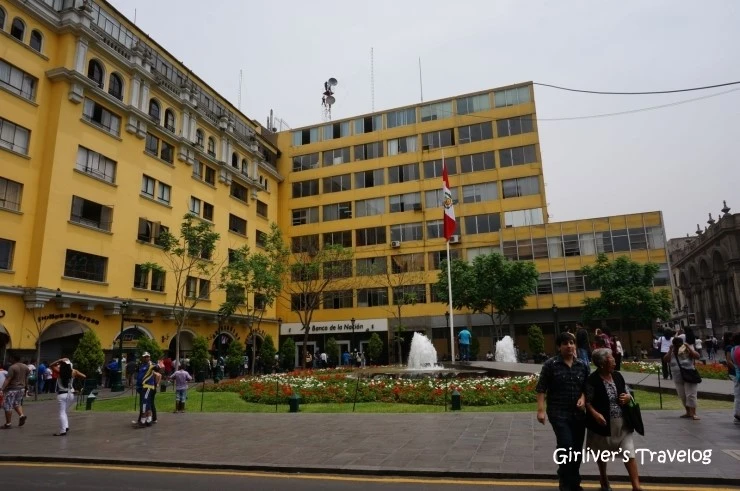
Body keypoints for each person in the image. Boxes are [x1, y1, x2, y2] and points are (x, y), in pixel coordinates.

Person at [536, 332, 588, 491]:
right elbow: (541, 388)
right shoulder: (550, 365)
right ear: (559, 347)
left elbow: (587, 387)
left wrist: (583, 398)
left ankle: (574, 480)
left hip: (578, 414)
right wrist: (540, 410)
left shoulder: (582, 365)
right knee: (566, 445)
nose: (569, 346)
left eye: (572, 343)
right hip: (558, 413)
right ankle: (565, 480)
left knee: (577, 449)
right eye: (565, 343)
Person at [585, 348, 643, 491]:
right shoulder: (592, 380)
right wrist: (595, 414)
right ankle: (604, 479)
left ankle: (636, 486)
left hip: (623, 424)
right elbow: (587, 401)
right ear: (602, 363)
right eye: (611, 358)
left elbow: (627, 391)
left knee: (629, 453)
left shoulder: (617, 375)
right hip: (603, 425)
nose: (614, 361)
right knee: (602, 454)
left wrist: (628, 397)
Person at [665, 336, 701, 420]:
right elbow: (666, 359)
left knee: (691, 395)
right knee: (682, 395)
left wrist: (688, 347)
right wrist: (670, 350)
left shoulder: (687, 351)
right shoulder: (672, 353)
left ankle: (694, 413)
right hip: (677, 377)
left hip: (689, 375)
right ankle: (688, 412)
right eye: (676, 345)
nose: (678, 346)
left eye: (679, 344)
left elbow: (697, 356)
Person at [49, 358, 85, 436]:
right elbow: (84, 376)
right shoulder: (73, 371)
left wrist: (59, 360)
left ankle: (63, 430)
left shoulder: (59, 371)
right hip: (70, 394)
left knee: (62, 412)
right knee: (64, 411)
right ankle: (66, 426)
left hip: (62, 394)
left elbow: (51, 365)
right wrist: (75, 376)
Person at [1, 354, 29, 429]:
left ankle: (8, 423)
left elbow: (8, 379)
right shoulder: (25, 367)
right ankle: (22, 415)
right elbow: (26, 378)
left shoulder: (12, 367)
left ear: (13, 359)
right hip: (21, 388)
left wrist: (2, 388)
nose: (9, 359)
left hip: (12, 388)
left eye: (10, 358)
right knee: (17, 403)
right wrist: (26, 387)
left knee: (8, 405)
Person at [133, 352, 156, 428]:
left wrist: (158, 366)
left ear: (149, 357)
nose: (146, 358)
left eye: (147, 357)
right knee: (147, 403)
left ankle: (143, 420)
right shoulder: (142, 365)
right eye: (145, 357)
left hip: (148, 386)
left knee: (144, 403)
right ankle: (148, 419)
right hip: (142, 386)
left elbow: (159, 368)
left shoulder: (151, 365)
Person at [730, 332, 740, 425]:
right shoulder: (738, 350)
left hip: (737, 374)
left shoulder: (733, 349)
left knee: (737, 396)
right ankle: (738, 415)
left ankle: (737, 414)